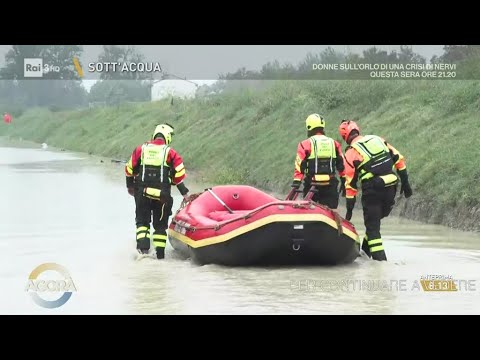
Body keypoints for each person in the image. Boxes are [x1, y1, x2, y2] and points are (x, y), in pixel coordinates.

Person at [338, 119, 413, 261]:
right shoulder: (378, 139)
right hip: (391, 187)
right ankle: (365, 253)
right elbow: (399, 159)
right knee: (374, 222)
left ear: (345, 137)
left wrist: (349, 209)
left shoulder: (351, 153)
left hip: (372, 191)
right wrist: (406, 183)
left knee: (373, 230)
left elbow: (350, 185)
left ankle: (381, 263)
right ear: (357, 130)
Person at [125, 123, 190, 259]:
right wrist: (185, 194)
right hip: (162, 197)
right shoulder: (171, 153)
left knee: (142, 224)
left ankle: (143, 253)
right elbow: (178, 176)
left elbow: (129, 169)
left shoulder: (140, 150)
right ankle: (159, 257)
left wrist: (130, 187)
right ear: (167, 137)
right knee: (160, 228)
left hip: (142, 193)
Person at [291, 114, 346, 210]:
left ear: (309, 127)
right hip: (330, 185)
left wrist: (297, 182)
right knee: (330, 212)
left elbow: (300, 165)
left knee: (309, 211)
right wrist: (344, 180)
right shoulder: (334, 143)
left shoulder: (305, 144)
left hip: (312, 185)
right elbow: (341, 164)